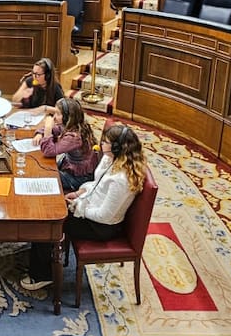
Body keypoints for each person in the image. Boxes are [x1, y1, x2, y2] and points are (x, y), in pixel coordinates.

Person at [21, 124, 148, 291]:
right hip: (91, 209)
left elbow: (105, 216)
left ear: (117, 148)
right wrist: (81, 192)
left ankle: (42, 276)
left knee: (46, 222)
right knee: (50, 207)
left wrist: (77, 207)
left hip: (101, 227)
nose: (102, 144)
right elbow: (97, 184)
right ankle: (44, 256)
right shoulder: (112, 160)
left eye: (107, 142)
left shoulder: (120, 180)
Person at [33, 97, 100, 193]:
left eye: (58, 114)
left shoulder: (74, 137)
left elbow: (48, 151)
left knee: (44, 175)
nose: (54, 117)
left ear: (68, 116)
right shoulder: (72, 124)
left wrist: (47, 129)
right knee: (42, 168)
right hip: (70, 165)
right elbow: (56, 129)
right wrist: (40, 133)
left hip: (78, 177)